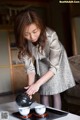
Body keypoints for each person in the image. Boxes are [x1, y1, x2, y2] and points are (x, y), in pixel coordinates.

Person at [14, 9, 75, 110]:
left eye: (35, 31)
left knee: (54, 90)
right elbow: (30, 69)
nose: (32, 37)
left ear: (40, 27)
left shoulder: (51, 35)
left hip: (55, 59)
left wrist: (37, 83)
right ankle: (44, 115)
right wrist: (30, 89)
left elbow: (54, 67)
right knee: (43, 90)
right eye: (26, 34)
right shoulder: (24, 43)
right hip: (41, 59)